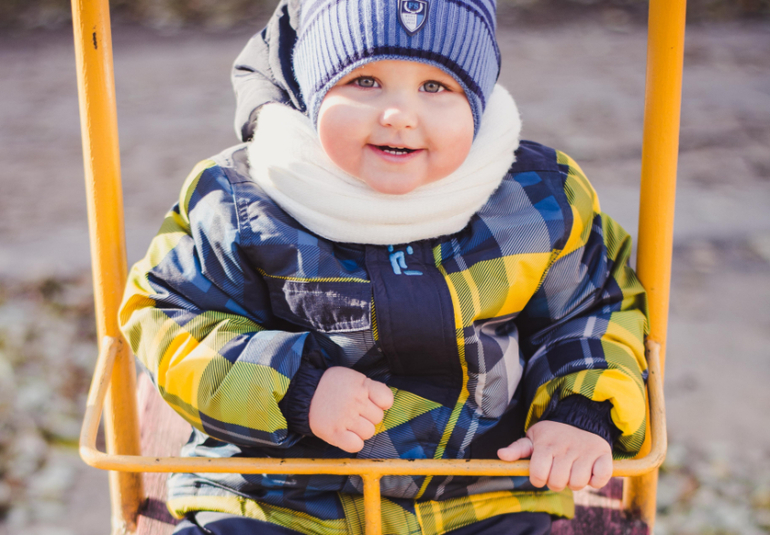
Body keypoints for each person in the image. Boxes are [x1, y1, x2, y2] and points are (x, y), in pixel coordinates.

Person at [119, 0, 649, 533]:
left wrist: (580, 411)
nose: (399, 114)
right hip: (282, 493)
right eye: (365, 81)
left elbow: (593, 308)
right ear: (311, 89)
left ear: (478, 102)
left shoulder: (536, 199)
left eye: (435, 86)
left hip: (481, 489)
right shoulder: (244, 200)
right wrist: (296, 387)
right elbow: (172, 317)